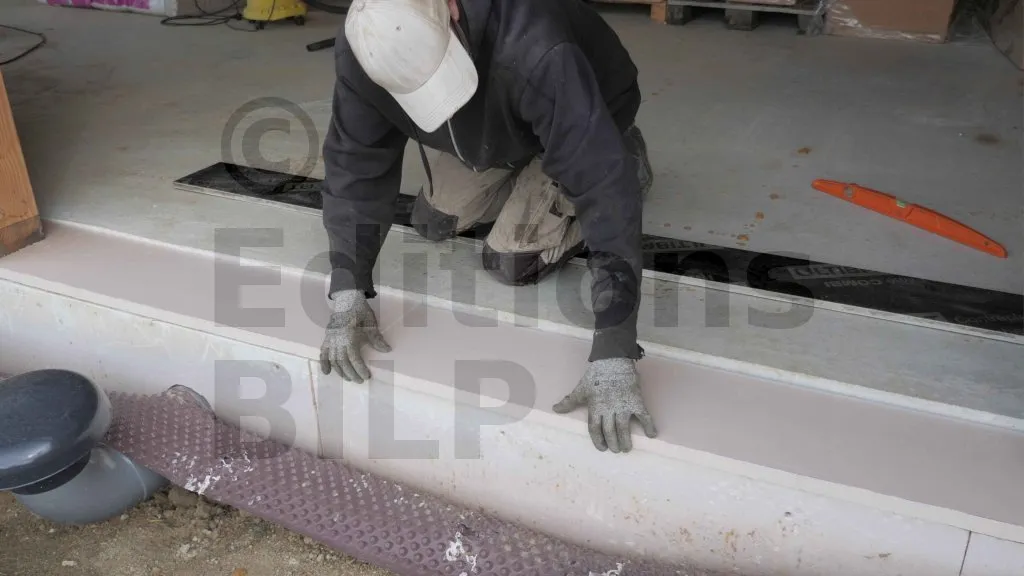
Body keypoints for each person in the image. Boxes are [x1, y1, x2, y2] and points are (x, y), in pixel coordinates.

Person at [319, 0, 658, 453]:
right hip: (492, 119)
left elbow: (603, 192)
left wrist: (614, 349)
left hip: (584, 108)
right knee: (432, 220)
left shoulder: (538, 47)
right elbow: (354, 167)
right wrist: (348, 289)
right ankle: (516, 165)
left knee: (511, 260)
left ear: (450, 9)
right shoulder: (368, 40)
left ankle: (625, 154)